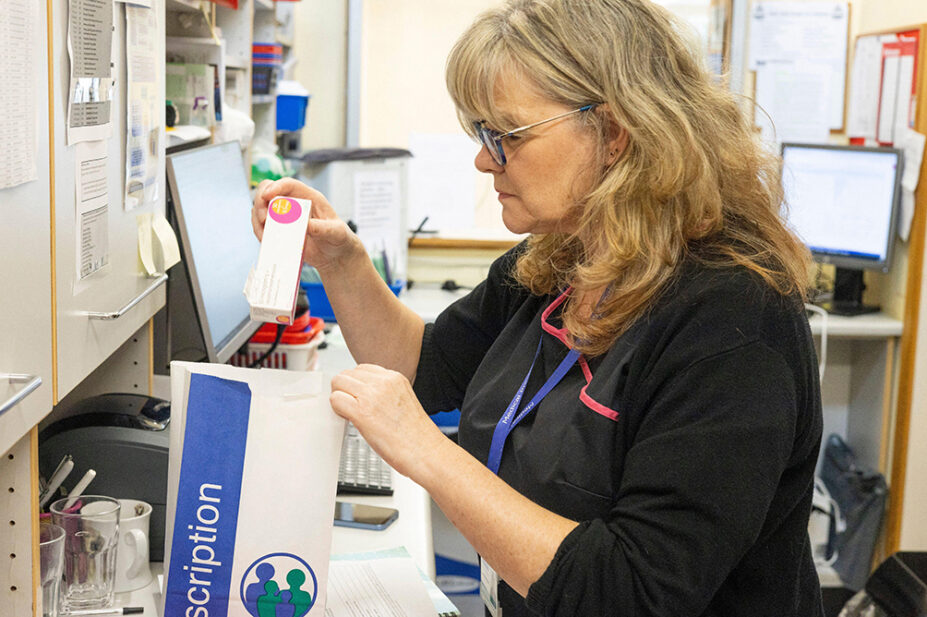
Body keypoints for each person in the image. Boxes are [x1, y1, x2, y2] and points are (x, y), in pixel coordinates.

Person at [251, 0, 824, 614]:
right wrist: (342, 262)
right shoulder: (558, 258)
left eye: (507, 135)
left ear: (613, 131)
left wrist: (428, 453)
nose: (482, 158)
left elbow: (633, 591)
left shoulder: (733, 320)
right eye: (481, 133)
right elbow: (426, 367)